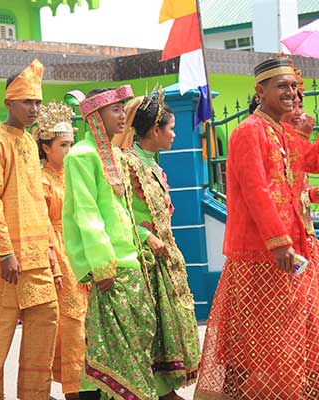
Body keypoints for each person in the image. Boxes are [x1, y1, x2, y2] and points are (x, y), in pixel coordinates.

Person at [194, 57, 319, 400]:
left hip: (298, 246)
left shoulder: (283, 131)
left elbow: (317, 163)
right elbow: (256, 190)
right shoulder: (248, 131)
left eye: (294, 86)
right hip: (263, 253)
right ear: (260, 90)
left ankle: (310, 390)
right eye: (282, 86)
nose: (292, 92)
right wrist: (278, 243)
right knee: (265, 337)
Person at [62, 86, 157, 400]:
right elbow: (85, 212)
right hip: (111, 268)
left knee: (136, 343)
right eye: (115, 109)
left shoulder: (116, 155)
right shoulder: (81, 156)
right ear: (95, 115)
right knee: (114, 349)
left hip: (132, 263)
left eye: (122, 108)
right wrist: (102, 264)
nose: (122, 115)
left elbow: (126, 211)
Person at [0, 59, 60, 400]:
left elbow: (37, 200)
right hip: (5, 263)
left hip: (37, 260)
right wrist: (5, 252)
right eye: (27, 102)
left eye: (37, 102)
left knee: (45, 328)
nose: (33, 108)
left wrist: (51, 251)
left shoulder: (29, 143)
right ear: (8, 102)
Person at [120, 92, 200, 399]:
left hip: (164, 255)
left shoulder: (152, 164)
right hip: (144, 257)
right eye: (171, 128)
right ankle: (158, 391)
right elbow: (119, 211)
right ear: (155, 130)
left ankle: (165, 388)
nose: (174, 134)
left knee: (169, 324)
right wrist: (145, 236)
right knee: (152, 325)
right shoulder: (128, 163)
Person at [32, 101, 91, 399]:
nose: (69, 150)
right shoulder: (41, 180)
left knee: (88, 319)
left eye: (70, 144)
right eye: (63, 145)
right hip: (58, 249)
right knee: (71, 321)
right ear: (46, 148)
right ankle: (73, 387)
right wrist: (53, 262)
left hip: (81, 247)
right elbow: (42, 224)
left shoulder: (73, 175)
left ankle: (90, 382)